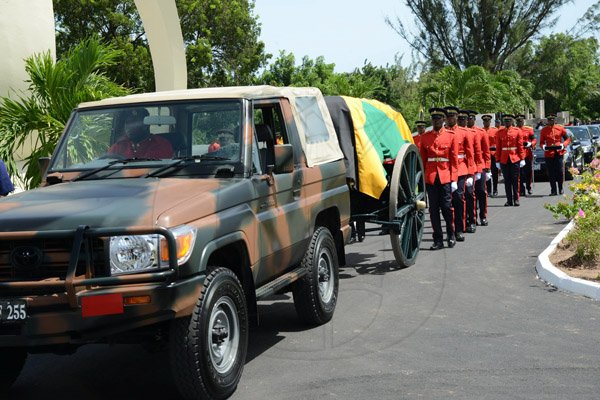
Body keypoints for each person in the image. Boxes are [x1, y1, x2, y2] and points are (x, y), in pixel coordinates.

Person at [419, 107, 458, 250]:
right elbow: (423, 160)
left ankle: (451, 234)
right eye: (434, 119)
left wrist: (454, 179)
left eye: (439, 119)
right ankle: (438, 239)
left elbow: (453, 160)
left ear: (443, 120)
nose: (436, 121)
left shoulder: (450, 135)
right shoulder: (425, 137)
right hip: (431, 177)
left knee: (447, 208)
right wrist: (422, 178)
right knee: (433, 210)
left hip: (445, 176)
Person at [444, 106, 474, 242]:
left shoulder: (463, 132)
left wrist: (472, 174)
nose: (451, 118)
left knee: (458, 199)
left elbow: (471, 154)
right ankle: (449, 230)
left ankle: (459, 229)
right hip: (445, 169)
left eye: (453, 116)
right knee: (445, 202)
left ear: (457, 117)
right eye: (448, 116)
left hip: (461, 169)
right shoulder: (442, 132)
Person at [108, 108, 173, 159]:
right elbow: (106, 165)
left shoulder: (161, 144)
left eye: (134, 123)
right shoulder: (119, 147)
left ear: (146, 125)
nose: (128, 127)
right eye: (127, 123)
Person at [457, 109, 481, 234]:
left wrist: (474, 172)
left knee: (470, 195)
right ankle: (461, 222)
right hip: (457, 169)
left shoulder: (472, 133)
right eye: (459, 119)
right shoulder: (452, 132)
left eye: (463, 119)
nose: (461, 121)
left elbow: (475, 153)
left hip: (469, 168)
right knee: (458, 197)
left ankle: (471, 220)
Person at [495, 114, 525, 206]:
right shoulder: (500, 132)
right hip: (504, 159)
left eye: (509, 120)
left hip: (514, 158)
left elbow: (520, 146)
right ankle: (509, 200)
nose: (507, 122)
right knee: (507, 180)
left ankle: (516, 199)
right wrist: (497, 160)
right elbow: (498, 147)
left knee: (515, 179)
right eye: (505, 121)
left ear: (512, 121)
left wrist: (522, 158)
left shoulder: (517, 131)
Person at [468, 110, 490, 226]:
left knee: (481, 192)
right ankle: (472, 217)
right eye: (468, 118)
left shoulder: (481, 132)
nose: (469, 120)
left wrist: (487, 168)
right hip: (468, 167)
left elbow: (486, 151)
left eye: (471, 118)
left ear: (474, 119)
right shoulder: (464, 132)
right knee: (470, 194)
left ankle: (483, 215)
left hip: (480, 166)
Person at [539, 114, 570, 195]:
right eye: (549, 120)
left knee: (559, 171)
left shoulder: (560, 128)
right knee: (550, 172)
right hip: (549, 153)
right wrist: (544, 147)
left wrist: (564, 145)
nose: (551, 121)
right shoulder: (544, 130)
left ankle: (560, 188)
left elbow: (567, 138)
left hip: (558, 152)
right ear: (547, 121)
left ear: (554, 120)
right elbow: (541, 142)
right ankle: (553, 190)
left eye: (552, 120)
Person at [516, 114, 536, 196]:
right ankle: (521, 189)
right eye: (518, 121)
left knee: (528, 172)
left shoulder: (528, 130)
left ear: (523, 121)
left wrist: (531, 144)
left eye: (521, 121)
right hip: (517, 154)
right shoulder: (514, 130)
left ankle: (528, 186)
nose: (520, 122)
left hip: (527, 153)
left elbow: (534, 139)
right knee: (519, 173)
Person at [482, 114, 499, 197]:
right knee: (486, 172)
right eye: (485, 121)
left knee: (494, 173)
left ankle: (495, 189)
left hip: (493, 154)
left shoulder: (495, 130)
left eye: (488, 121)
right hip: (484, 155)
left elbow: (497, 142)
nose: (486, 122)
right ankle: (488, 190)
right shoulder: (481, 131)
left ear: (490, 121)